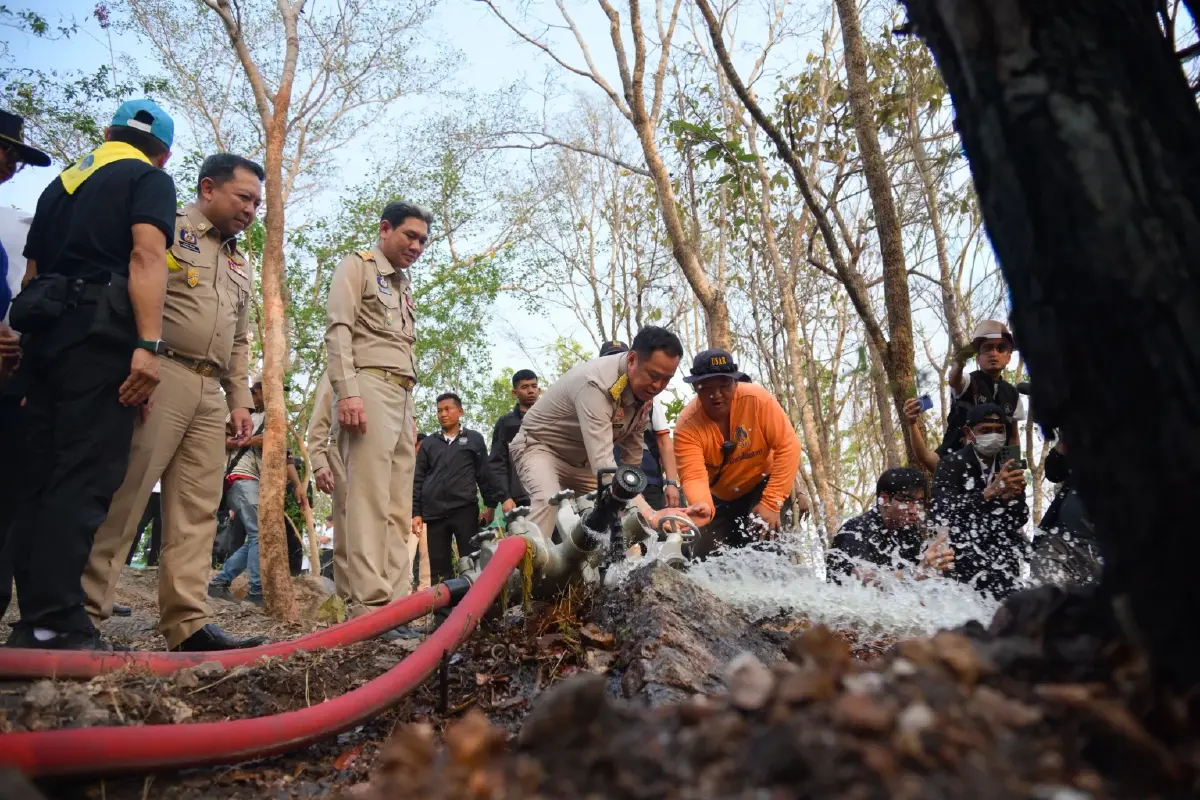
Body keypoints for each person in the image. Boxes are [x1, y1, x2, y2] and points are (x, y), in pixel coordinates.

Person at [6, 100, 176, 651]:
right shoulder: (146, 179)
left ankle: (33, 620)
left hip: (44, 342)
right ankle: (56, 620)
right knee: (84, 477)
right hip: (99, 339)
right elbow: (147, 258)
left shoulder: (58, 187)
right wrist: (148, 347)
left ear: (108, 132)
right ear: (164, 154)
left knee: (39, 479)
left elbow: (31, 275)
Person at [79, 152, 265, 651]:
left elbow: (241, 339)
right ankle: (82, 612)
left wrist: (240, 400)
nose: (251, 210)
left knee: (198, 511)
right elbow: (134, 292)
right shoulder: (168, 228)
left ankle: (187, 623)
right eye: (243, 197)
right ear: (208, 188)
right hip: (163, 374)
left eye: (257, 203)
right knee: (128, 495)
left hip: (211, 392)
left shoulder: (238, 261)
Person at [324, 200, 430, 623]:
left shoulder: (403, 286)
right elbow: (339, 330)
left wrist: (411, 411)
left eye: (423, 240)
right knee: (367, 501)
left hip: (402, 398)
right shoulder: (358, 266)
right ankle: (369, 605)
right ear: (385, 229)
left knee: (397, 506)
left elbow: (403, 350)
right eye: (410, 236)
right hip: (366, 386)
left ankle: (397, 602)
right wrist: (348, 393)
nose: (417, 246)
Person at [511, 326, 700, 542]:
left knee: (620, 511)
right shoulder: (596, 384)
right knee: (548, 499)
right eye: (653, 375)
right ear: (632, 360)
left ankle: (630, 568)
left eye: (667, 379)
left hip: (583, 465)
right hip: (540, 447)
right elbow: (605, 465)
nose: (658, 386)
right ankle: (532, 570)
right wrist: (652, 515)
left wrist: (644, 511)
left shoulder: (643, 392)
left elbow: (631, 462)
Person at [673, 348, 805, 558]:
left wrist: (771, 503)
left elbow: (789, 446)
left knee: (769, 546)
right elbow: (694, 475)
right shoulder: (686, 426)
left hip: (763, 484)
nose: (716, 395)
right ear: (695, 388)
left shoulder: (758, 400)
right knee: (704, 558)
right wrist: (702, 506)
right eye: (706, 387)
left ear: (736, 383)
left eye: (723, 386)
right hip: (718, 496)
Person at [0, 109, 50, 621]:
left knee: (14, 493)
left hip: (12, 381)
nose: (14, 164)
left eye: (18, 156)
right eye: (7, 151)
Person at [412, 393, 503, 619]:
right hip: (434, 514)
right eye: (439, 410)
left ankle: (475, 613)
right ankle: (442, 618)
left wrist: (490, 505)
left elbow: (484, 474)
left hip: (465, 510)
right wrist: (416, 513)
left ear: (460, 411)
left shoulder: (474, 439)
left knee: (470, 561)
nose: (443, 414)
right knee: (439, 568)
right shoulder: (429, 443)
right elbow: (419, 479)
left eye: (447, 409)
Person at [931, 403, 1030, 598]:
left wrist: (1010, 500)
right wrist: (989, 492)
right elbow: (941, 512)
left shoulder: (1010, 463)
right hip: (962, 559)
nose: (993, 436)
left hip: (1004, 559)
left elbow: (1020, 518)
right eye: (985, 430)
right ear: (969, 432)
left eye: (999, 430)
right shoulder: (951, 464)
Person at [826, 468, 954, 584]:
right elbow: (863, 580)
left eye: (919, 502)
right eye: (906, 500)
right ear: (884, 499)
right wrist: (918, 572)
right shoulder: (855, 531)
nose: (915, 510)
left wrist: (937, 568)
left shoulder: (908, 533)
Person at [598, 341, 682, 511]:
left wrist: (672, 483)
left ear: (631, 362)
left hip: (647, 477)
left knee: (660, 531)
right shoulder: (596, 397)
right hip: (607, 478)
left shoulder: (649, 397)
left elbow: (664, 441)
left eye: (619, 358)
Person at [208, 375, 268, 607]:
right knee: (258, 535)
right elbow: (220, 440)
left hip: (256, 480)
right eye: (263, 390)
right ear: (254, 392)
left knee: (255, 537)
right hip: (239, 477)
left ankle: (220, 582)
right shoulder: (239, 413)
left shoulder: (272, 417)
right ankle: (255, 593)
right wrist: (251, 441)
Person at [938, 321, 1023, 456]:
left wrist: (1014, 466)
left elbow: (1013, 436)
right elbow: (954, 381)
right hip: (957, 460)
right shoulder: (969, 381)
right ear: (978, 358)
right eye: (987, 348)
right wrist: (960, 362)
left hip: (993, 468)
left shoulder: (1012, 394)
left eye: (1000, 348)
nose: (993, 353)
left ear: (1008, 358)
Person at [307, 371, 348, 589]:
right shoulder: (335, 367)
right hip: (342, 452)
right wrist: (319, 461)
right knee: (347, 530)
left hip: (381, 456)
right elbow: (320, 418)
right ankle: (348, 599)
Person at [488, 368, 539, 517]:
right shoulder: (505, 424)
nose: (530, 391)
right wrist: (505, 497)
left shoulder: (551, 417)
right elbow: (497, 463)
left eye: (533, 386)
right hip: (519, 498)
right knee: (525, 539)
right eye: (524, 387)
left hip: (551, 494)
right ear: (514, 393)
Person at [125, 483, 162, 566]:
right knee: (135, 529)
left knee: (161, 534)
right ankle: (124, 562)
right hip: (146, 492)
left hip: (167, 494)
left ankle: (154, 564)